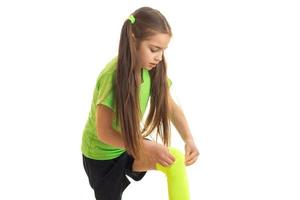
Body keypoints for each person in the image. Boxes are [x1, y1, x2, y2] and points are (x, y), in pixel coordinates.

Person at [81, 6, 199, 200]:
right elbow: (104, 132)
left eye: (163, 50)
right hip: (101, 156)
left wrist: (189, 138)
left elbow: (170, 106)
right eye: (154, 49)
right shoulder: (112, 76)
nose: (159, 57)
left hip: (130, 144)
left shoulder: (151, 70)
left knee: (174, 160)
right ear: (133, 40)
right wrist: (142, 146)